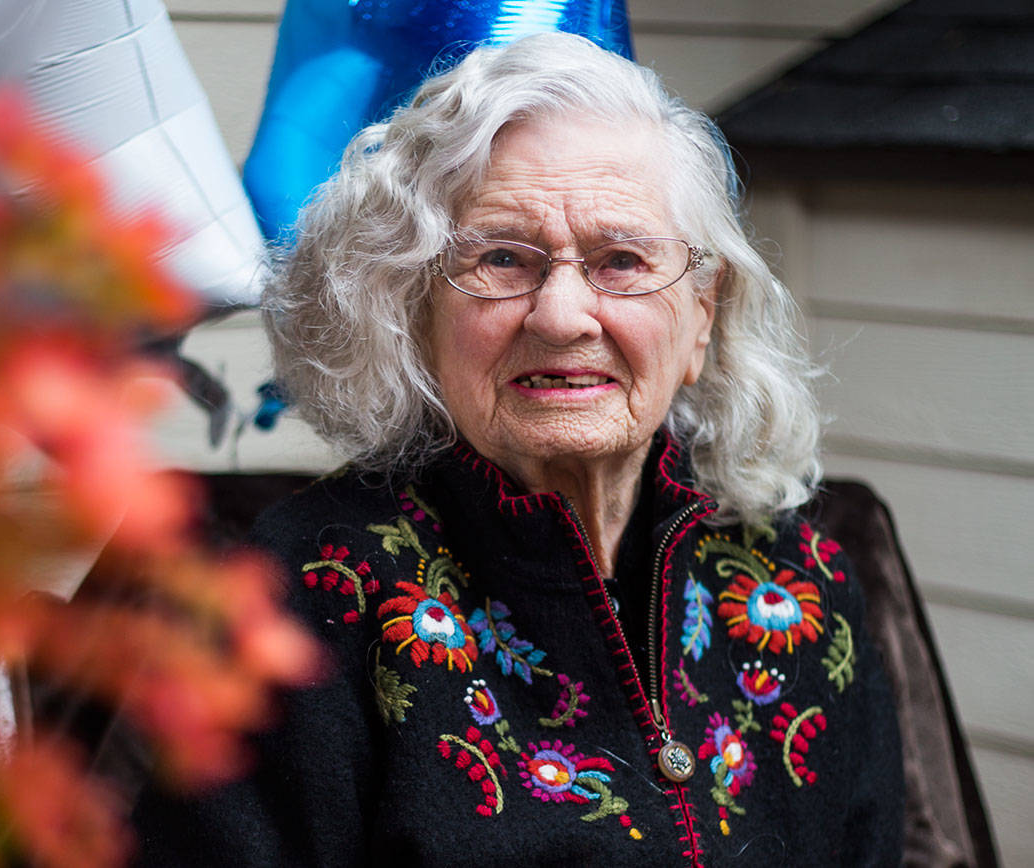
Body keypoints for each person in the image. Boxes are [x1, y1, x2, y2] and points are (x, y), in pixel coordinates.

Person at [127, 32, 905, 866]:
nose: (562, 316)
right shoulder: (295, 600)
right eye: (501, 258)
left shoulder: (799, 581)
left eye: (621, 261)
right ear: (415, 312)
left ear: (702, 317)